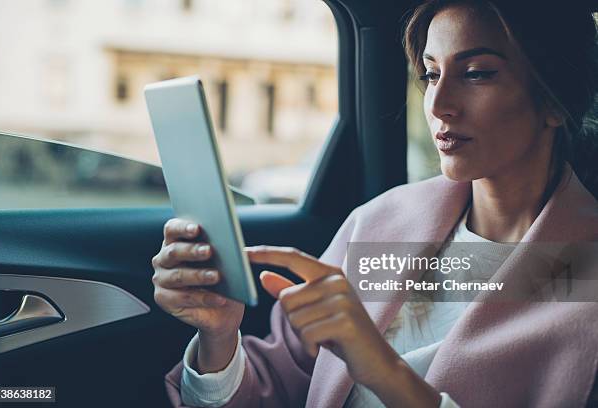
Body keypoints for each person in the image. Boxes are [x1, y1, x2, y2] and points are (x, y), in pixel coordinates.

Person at [151, 1, 598, 407]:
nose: (439, 104)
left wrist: (383, 372)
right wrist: (220, 335)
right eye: (431, 74)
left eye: (477, 73)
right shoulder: (381, 223)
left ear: (554, 101)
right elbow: (276, 388)